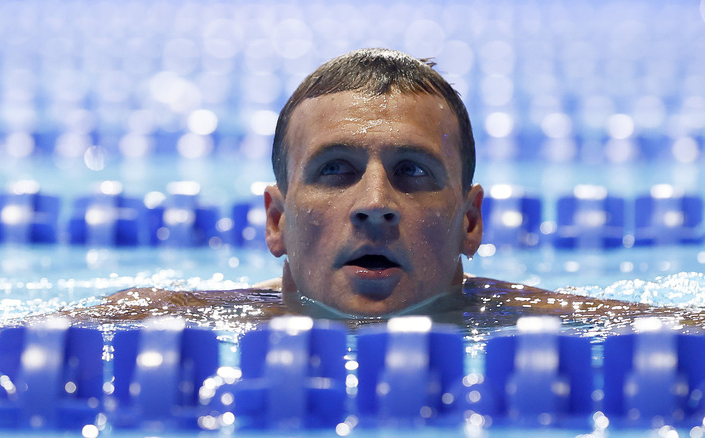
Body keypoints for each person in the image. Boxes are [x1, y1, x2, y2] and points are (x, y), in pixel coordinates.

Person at [67, 49, 670, 328]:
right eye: (335, 169)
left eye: (413, 170)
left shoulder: (570, 327)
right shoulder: (159, 324)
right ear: (276, 221)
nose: (375, 204)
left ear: (470, 222)